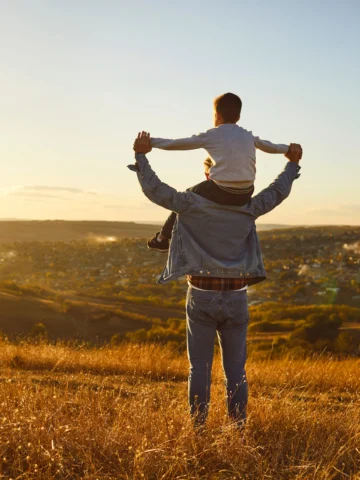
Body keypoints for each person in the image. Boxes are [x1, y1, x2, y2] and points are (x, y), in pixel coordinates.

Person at [129, 132, 302, 428]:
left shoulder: (191, 203)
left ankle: (198, 429)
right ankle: (237, 428)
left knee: (199, 368)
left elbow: (156, 191)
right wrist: (291, 164)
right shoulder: (249, 206)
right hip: (237, 296)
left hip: (201, 295)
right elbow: (277, 192)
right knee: (236, 369)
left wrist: (142, 156)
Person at [147, 92, 300, 252]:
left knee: (184, 199)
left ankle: (162, 239)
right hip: (245, 193)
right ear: (238, 116)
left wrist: (151, 142)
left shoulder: (212, 135)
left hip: (220, 191)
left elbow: (177, 144)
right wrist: (289, 149)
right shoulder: (248, 136)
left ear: (217, 115)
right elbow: (271, 146)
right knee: (197, 193)